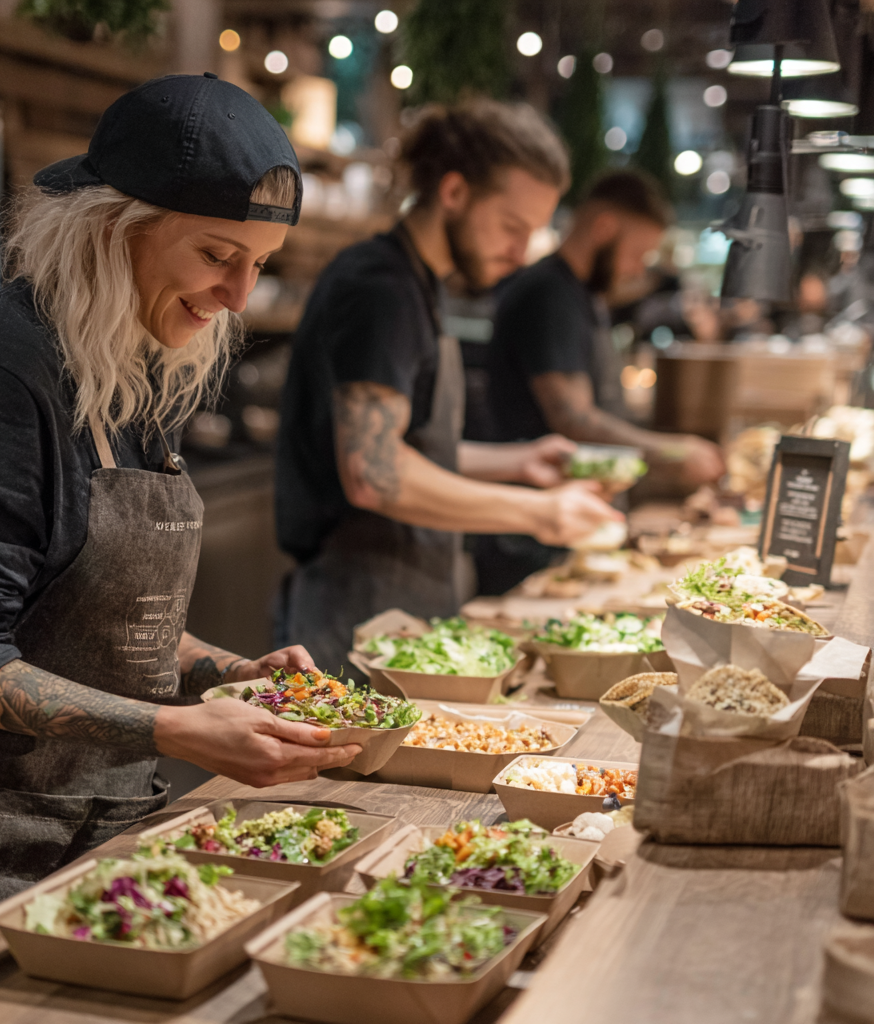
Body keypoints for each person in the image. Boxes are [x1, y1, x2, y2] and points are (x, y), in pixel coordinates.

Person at [0, 74, 362, 972]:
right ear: (115, 228)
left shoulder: (122, 367)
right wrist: (175, 729)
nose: (239, 296)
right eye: (216, 255)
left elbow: (104, 626)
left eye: (258, 265)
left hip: (103, 836)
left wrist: (227, 675)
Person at [275, 101, 621, 671]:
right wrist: (538, 513)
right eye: (512, 228)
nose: (519, 252)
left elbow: (410, 449)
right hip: (352, 610)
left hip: (402, 600)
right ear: (454, 192)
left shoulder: (419, 284)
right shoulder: (379, 289)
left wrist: (519, 462)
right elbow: (373, 474)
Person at [477, 170, 726, 592]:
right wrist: (672, 452)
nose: (635, 270)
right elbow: (574, 418)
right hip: (533, 533)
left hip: (569, 519)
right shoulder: (549, 295)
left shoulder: (580, 294)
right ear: (605, 227)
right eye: (637, 253)